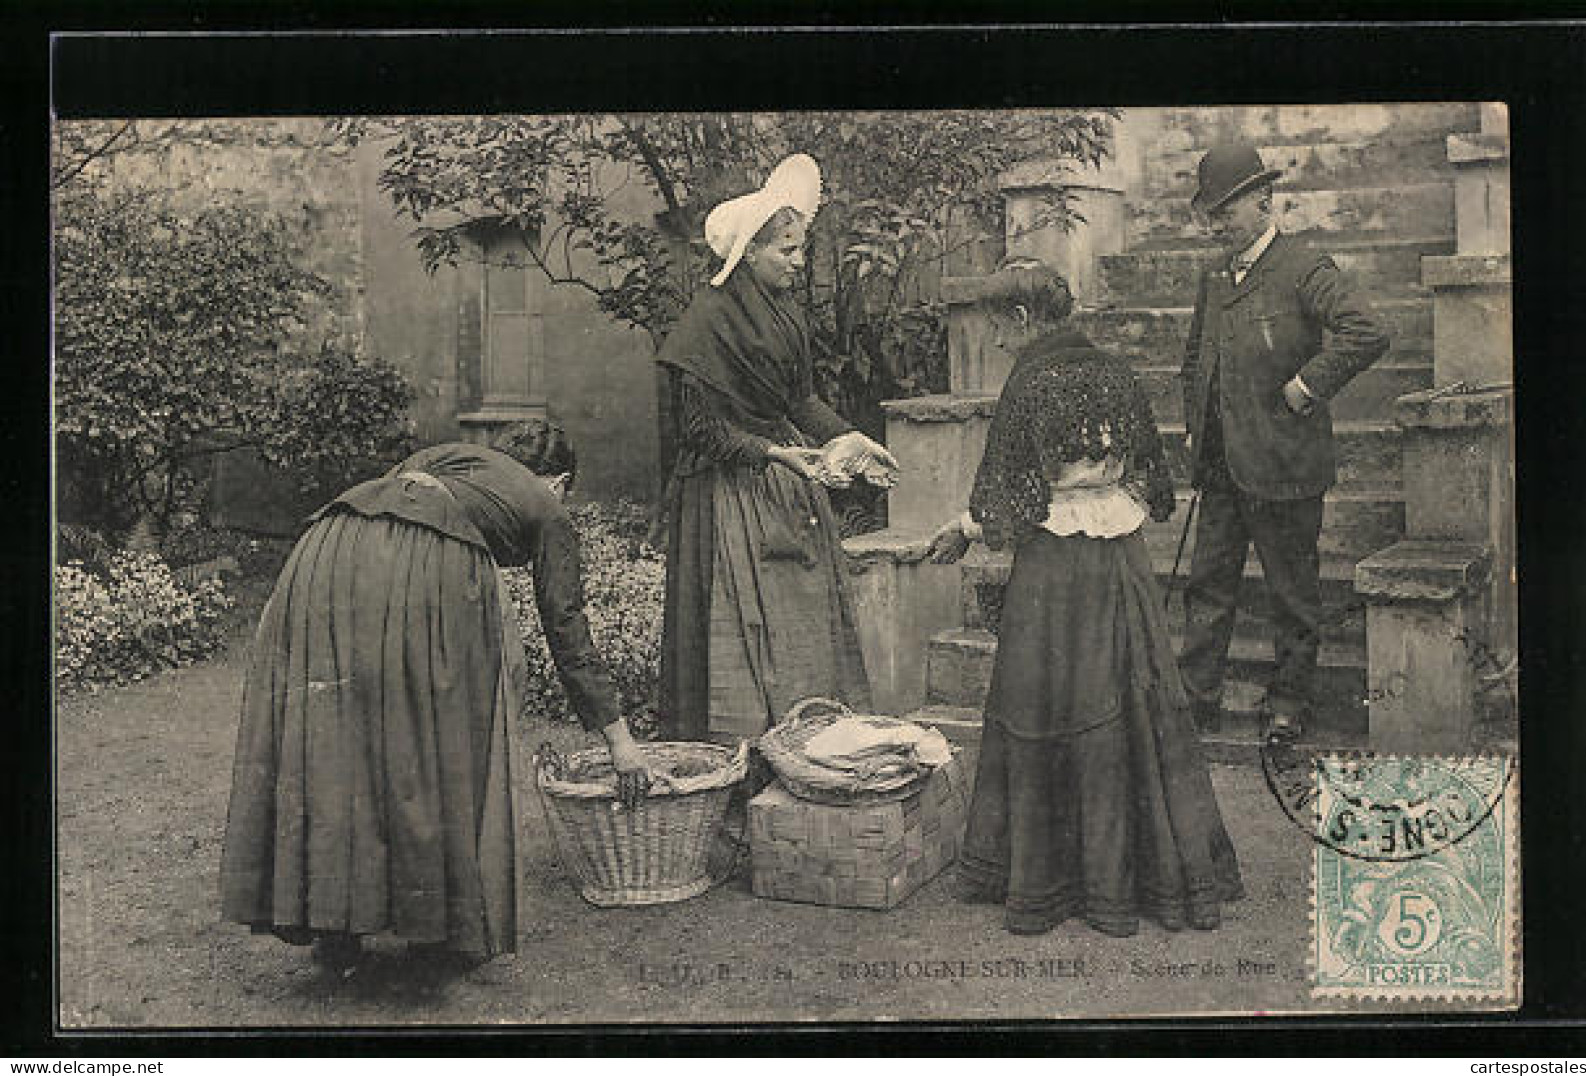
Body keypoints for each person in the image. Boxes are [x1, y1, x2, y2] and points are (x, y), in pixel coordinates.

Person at [220, 420, 652, 978]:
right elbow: (566, 631)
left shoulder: (447, 458)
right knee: (434, 746)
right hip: (419, 567)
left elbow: (399, 510)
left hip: (324, 550)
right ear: (559, 481)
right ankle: (434, 930)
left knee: (341, 744)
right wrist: (621, 743)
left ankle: (334, 926)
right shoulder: (548, 509)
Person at [926, 325, 1244, 937]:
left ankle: (1051, 879)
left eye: (998, 326)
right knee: (1125, 705)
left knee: (1043, 704)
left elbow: (1014, 499)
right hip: (1119, 559)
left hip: (1053, 568)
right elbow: (1145, 478)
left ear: (1019, 315)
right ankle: (1131, 878)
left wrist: (961, 528)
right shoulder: (1116, 373)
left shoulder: (1032, 381)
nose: (997, 342)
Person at [654, 153, 895, 745]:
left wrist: (850, 437)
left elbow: (800, 400)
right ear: (748, 253)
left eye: (799, 248)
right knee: (740, 634)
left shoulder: (782, 313)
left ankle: (802, 749)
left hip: (783, 480)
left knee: (800, 623)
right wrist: (774, 454)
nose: (799, 261)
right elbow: (700, 431)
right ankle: (737, 762)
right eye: (787, 251)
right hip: (725, 492)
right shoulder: (706, 321)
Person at [1178, 144, 1389, 743]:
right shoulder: (1214, 274)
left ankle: (1289, 706)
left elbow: (1367, 331)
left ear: (1263, 200)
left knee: (1291, 594)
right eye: (1210, 212)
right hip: (1221, 467)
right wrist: (1197, 419)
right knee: (1207, 587)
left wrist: (1307, 384)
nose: (1217, 222)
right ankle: (1197, 702)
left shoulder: (1303, 266)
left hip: (1285, 463)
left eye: (1227, 208)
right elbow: (1196, 355)